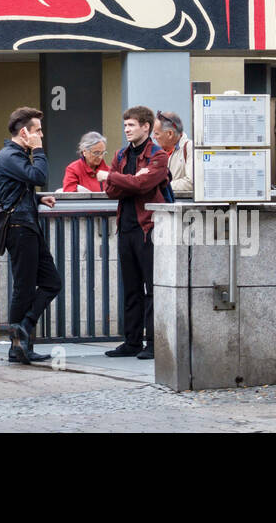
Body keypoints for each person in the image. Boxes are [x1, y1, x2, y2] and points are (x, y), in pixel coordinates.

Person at [96, 105, 170, 361]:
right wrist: (125, 180)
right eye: (125, 125)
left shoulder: (158, 156)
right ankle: (132, 341)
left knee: (153, 288)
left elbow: (143, 185)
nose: (126, 129)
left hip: (148, 228)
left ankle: (153, 343)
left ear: (146, 127)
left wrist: (113, 176)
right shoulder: (122, 154)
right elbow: (112, 191)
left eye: (131, 125)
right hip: (126, 227)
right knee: (131, 288)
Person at [0, 106, 62, 364]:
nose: (41, 135)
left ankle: (23, 331)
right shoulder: (10, 155)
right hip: (19, 228)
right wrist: (38, 150)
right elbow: (40, 175)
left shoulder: (16, 155)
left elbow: (18, 188)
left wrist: (38, 198)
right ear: (25, 132)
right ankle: (18, 346)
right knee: (23, 288)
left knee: (52, 282)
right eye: (38, 131)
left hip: (27, 225)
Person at [154, 111, 194, 199]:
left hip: (184, 209)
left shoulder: (190, 148)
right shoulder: (157, 153)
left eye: (156, 133)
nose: (154, 137)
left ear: (170, 134)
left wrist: (161, 186)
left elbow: (191, 183)